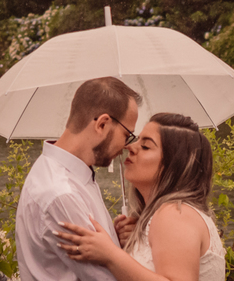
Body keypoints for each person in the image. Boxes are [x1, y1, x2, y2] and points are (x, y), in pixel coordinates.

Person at [54, 113, 224, 281]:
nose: (130, 147)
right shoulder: (168, 216)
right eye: (137, 140)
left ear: (173, 165)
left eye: (145, 146)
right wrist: (131, 242)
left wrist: (111, 254)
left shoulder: (174, 214)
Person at [15, 76, 141, 281]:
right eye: (127, 135)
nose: (127, 147)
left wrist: (113, 241)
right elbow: (106, 278)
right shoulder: (62, 194)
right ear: (102, 124)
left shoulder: (68, 173)